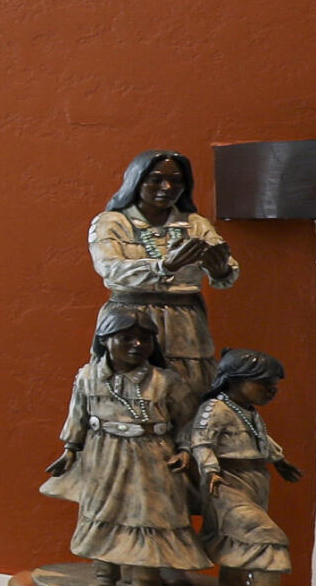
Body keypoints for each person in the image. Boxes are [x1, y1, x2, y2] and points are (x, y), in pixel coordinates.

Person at [41, 307, 204, 586]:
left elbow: (187, 420)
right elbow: (77, 415)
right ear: (105, 340)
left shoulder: (165, 381)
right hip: (104, 456)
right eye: (126, 338)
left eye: (145, 339)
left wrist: (184, 449)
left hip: (153, 458)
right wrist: (71, 449)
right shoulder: (88, 377)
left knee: (149, 516)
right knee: (106, 510)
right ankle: (105, 574)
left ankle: (145, 582)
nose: (137, 345)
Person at [87, 150, 238, 405]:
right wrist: (163, 266)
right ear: (137, 181)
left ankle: (187, 442)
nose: (167, 188)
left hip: (184, 317)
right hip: (129, 316)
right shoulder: (112, 222)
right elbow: (110, 268)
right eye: (156, 180)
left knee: (190, 388)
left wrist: (219, 268)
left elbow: (227, 270)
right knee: (129, 389)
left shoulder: (195, 224)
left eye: (176, 181)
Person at [190, 349, 304, 586]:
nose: (272, 389)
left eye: (274, 383)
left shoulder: (248, 410)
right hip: (226, 482)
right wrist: (210, 470)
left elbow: (261, 439)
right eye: (264, 382)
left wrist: (279, 461)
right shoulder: (215, 408)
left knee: (239, 538)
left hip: (254, 481)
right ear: (235, 380)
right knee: (266, 536)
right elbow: (201, 442)